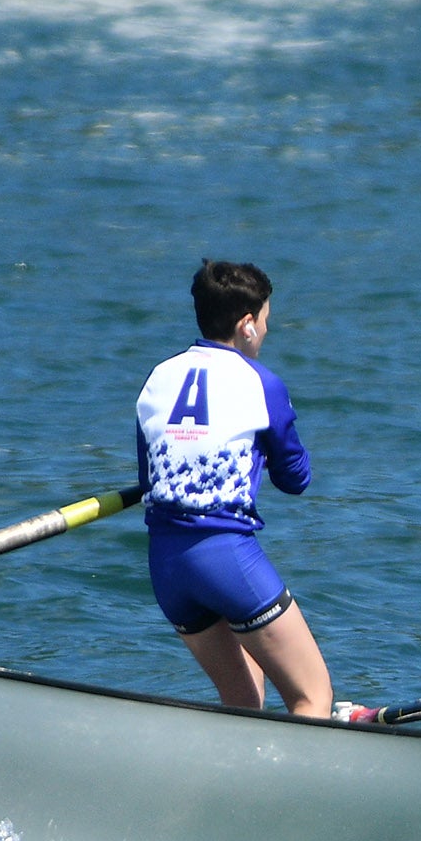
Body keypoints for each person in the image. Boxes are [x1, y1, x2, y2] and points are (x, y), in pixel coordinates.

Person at [136, 259, 333, 716]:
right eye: (265, 321)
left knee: (242, 701)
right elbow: (295, 479)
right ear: (246, 324)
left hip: (165, 563)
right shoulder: (261, 383)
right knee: (312, 696)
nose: (265, 332)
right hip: (225, 555)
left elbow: (150, 480)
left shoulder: (157, 378)